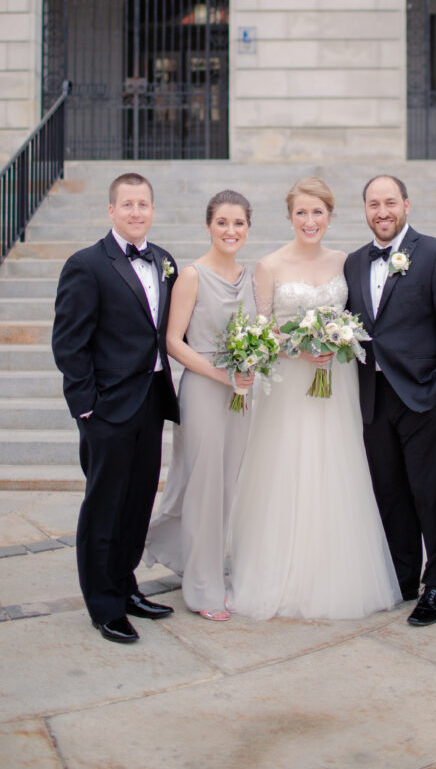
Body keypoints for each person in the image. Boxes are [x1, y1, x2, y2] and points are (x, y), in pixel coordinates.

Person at [226, 176, 401, 620]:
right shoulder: (269, 266)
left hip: (334, 384)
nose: (310, 221)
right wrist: (295, 347)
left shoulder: (346, 262)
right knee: (286, 471)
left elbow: (360, 319)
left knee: (336, 469)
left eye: (318, 212)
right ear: (289, 217)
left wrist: (338, 341)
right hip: (289, 387)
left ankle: (336, 574)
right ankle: (281, 573)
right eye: (301, 213)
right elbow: (262, 334)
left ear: (330, 215)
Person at [51, 172, 179, 644]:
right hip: (106, 409)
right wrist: (87, 407)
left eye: (143, 204)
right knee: (103, 508)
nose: (136, 212)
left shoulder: (164, 260)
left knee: (137, 502)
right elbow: (69, 343)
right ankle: (103, 605)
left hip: (149, 402)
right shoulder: (86, 264)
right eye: (127, 205)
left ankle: (126, 587)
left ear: (152, 209)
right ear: (111, 211)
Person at [344, 174, 436, 627]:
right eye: (374, 203)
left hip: (422, 392)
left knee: (432, 491)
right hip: (373, 394)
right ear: (364, 209)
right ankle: (402, 577)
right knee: (390, 492)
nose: (382, 211)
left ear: (406, 205)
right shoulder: (355, 262)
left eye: (390, 202)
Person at [144, 190, 256, 620]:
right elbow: (172, 341)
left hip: (242, 392)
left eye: (239, 223)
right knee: (203, 486)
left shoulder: (252, 276)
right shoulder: (191, 275)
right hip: (205, 390)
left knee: (227, 485)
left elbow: (263, 332)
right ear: (209, 225)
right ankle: (202, 589)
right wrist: (219, 374)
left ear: (248, 228)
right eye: (223, 222)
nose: (231, 231)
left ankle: (207, 568)